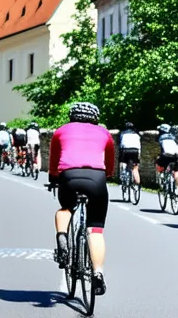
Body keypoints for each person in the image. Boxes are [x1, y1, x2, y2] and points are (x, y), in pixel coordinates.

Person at [48, 102, 115, 296]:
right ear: (95, 118)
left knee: (65, 208)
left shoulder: (60, 131)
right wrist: (107, 174)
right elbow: (110, 160)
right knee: (95, 229)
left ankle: (62, 237)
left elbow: (54, 160)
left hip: (69, 175)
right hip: (96, 178)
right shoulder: (104, 133)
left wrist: (53, 178)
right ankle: (98, 273)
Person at [154, 124, 178, 189]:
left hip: (166, 155)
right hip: (176, 155)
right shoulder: (173, 136)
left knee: (158, 163)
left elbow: (161, 150)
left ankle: (161, 176)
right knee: (176, 172)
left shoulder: (160, 137)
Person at [118, 122, 141, 187]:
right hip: (135, 150)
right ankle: (137, 185)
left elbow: (120, 145)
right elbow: (139, 146)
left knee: (122, 162)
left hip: (125, 150)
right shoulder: (137, 135)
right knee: (135, 167)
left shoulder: (122, 133)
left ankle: (122, 178)